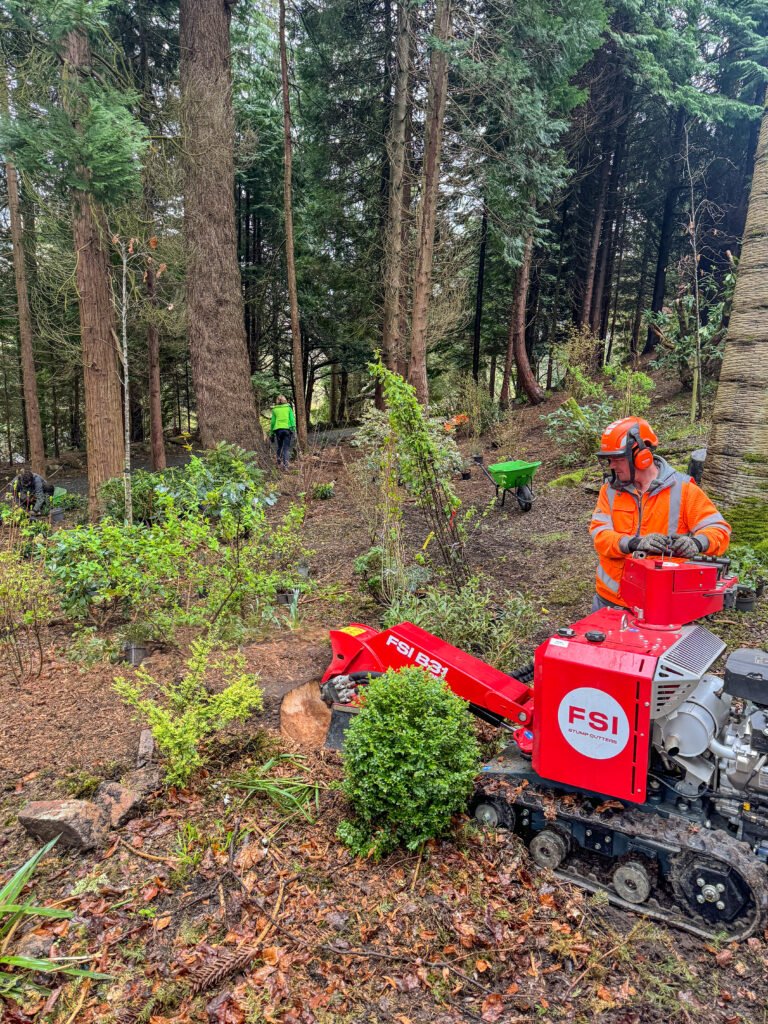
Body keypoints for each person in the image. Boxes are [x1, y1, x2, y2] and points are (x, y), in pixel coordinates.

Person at [589, 416, 731, 611]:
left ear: (642, 456)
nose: (612, 466)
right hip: (610, 599)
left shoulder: (683, 489)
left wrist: (697, 543)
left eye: (618, 459)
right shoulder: (610, 491)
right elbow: (599, 535)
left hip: (661, 601)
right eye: (609, 460)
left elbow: (718, 529)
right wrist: (633, 543)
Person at [270, 394, 296, 470]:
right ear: (285, 400)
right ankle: (286, 466)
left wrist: (271, 433)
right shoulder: (288, 408)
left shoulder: (274, 410)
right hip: (287, 430)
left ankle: (278, 460)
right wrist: (294, 430)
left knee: (279, 446)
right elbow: (292, 420)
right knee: (286, 449)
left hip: (278, 430)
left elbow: (272, 422)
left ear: (277, 401)